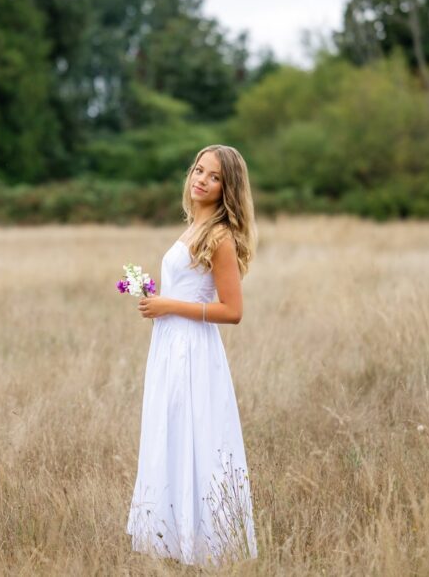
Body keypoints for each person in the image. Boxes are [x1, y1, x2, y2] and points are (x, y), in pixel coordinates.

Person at [125, 144, 259, 567]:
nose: (200, 179)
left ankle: (203, 545)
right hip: (169, 347)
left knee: (194, 437)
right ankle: (170, 540)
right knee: (169, 434)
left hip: (194, 353)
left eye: (213, 176)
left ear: (227, 188)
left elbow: (233, 311)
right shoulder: (190, 229)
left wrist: (169, 306)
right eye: (198, 170)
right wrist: (155, 302)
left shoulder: (220, 238)